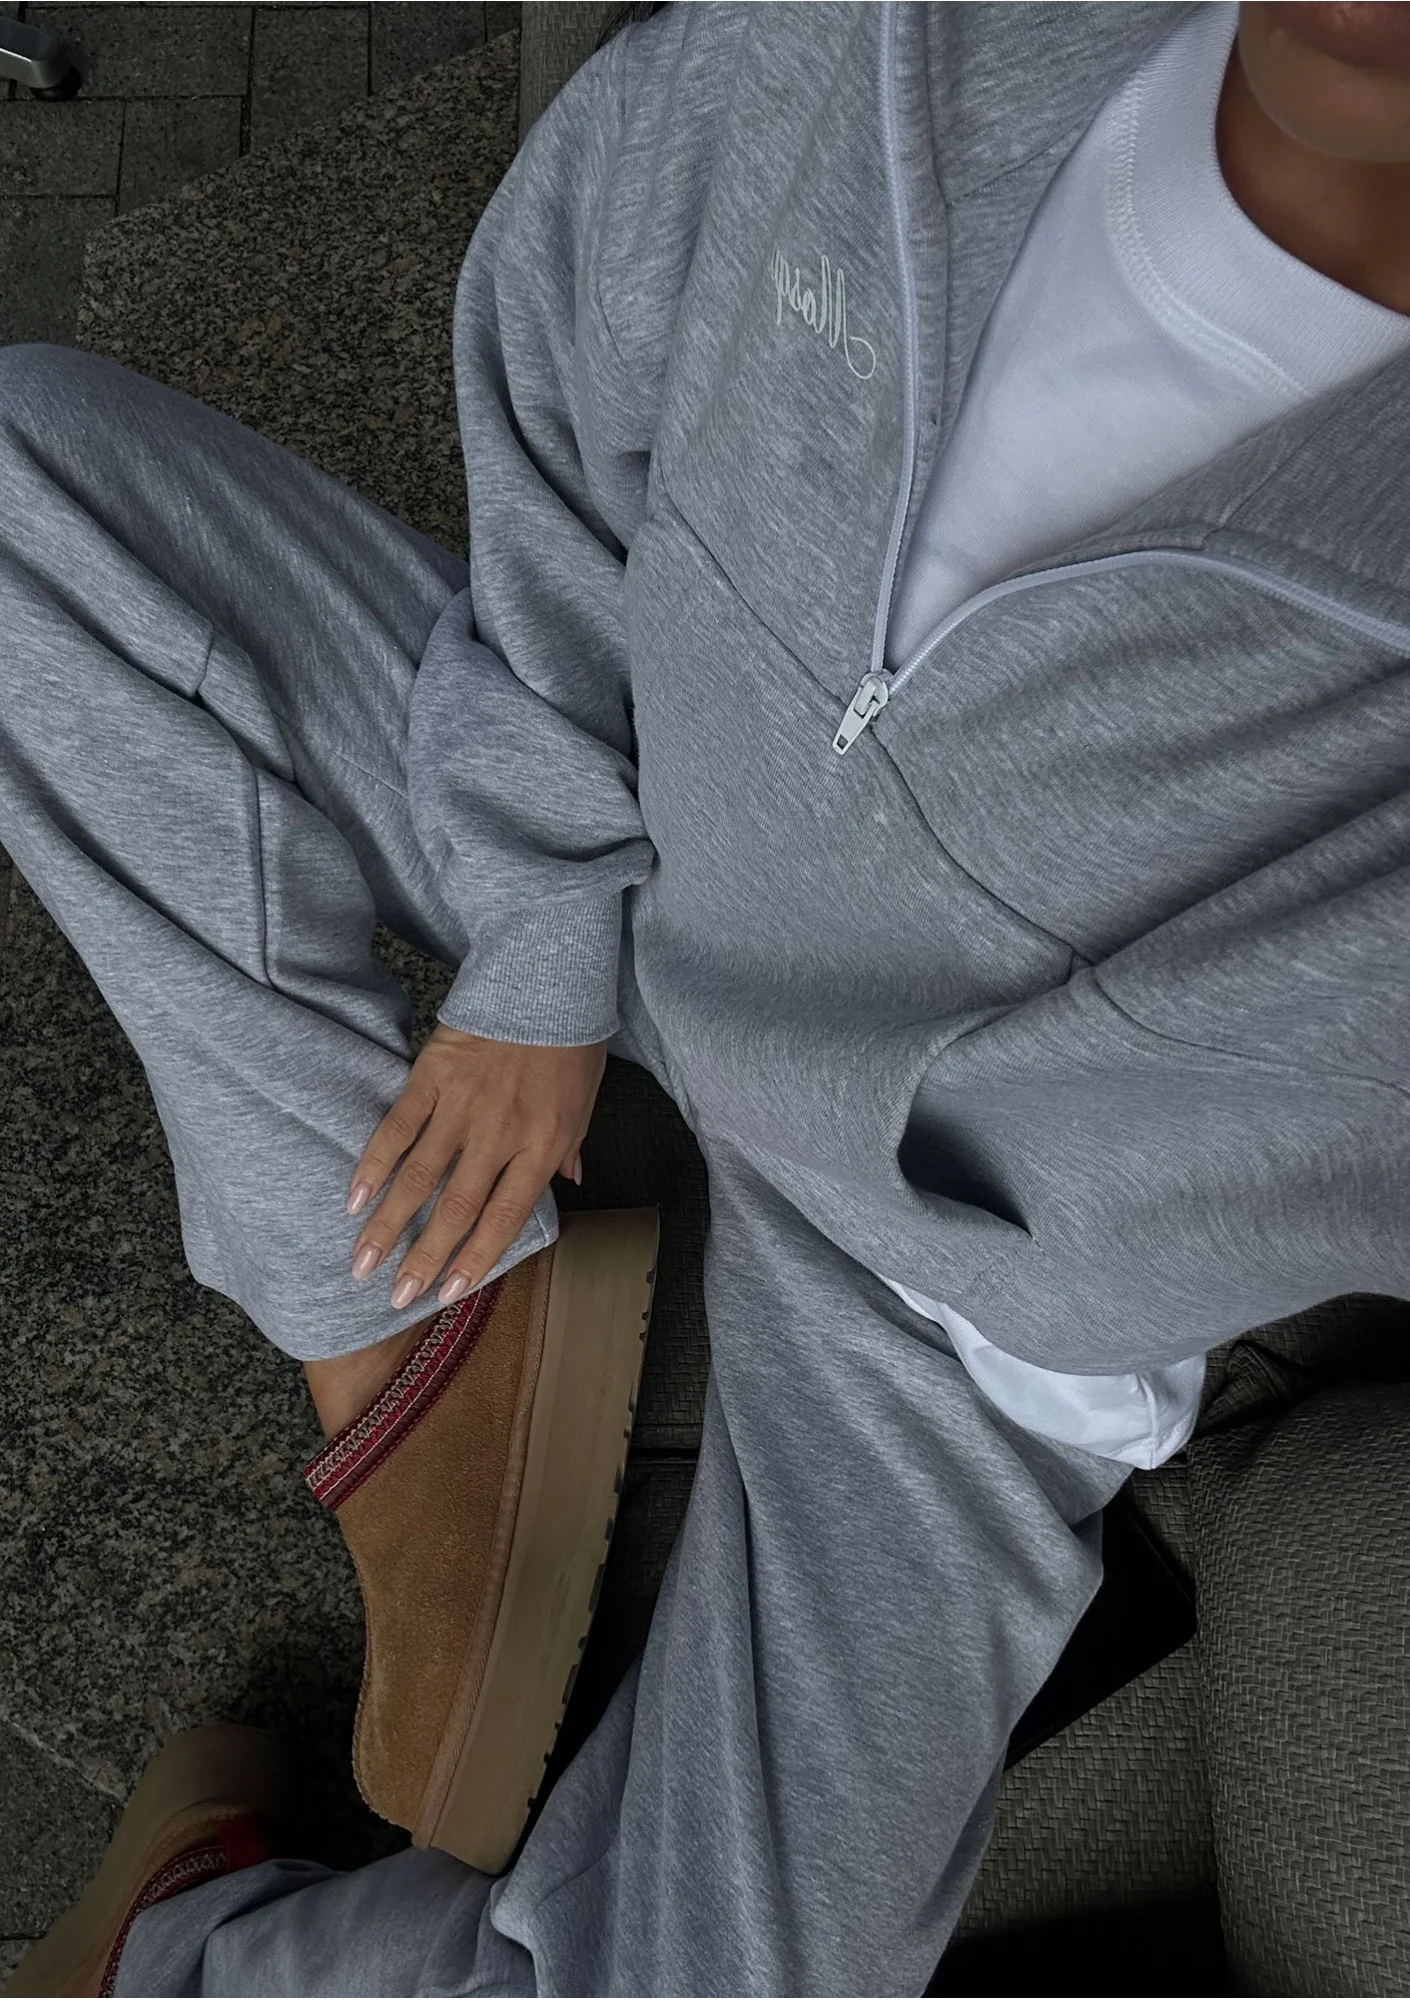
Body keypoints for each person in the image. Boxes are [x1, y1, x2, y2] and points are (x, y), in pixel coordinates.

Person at [4, 0, 1408, 1992]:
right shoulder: (896, 36)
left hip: (940, 1298)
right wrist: (543, 938)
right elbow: (568, 363)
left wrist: (1084, 1253)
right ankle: (399, 1321)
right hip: (656, 873)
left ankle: (179, 1944)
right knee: (23, 487)